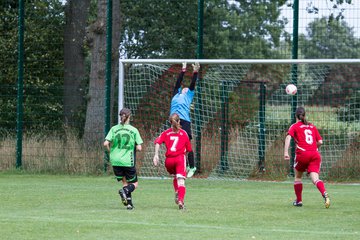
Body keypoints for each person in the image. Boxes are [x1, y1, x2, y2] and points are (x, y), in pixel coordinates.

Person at [284, 106, 330, 208]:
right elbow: (320, 142)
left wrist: (285, 152)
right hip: (315, 154)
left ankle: (299, 201)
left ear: (296, 116)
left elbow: (288, 137)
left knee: (298, 177)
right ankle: (325, 194)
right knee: (315, 179)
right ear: (305, 115)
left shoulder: (295, 126)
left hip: (303, 154)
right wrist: (314, 148)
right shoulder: (312, 126)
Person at [104, 108, 143, 210]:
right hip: (127, 160)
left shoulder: (114, 128)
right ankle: (125, 192)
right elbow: (139, 148)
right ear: (129, 117)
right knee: (134, 183)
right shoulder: (134, 130)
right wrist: (134, 147)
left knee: (125, 183)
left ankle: (129, 204)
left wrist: (111, 152)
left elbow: (106, 143)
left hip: (115, 160)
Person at [153, 113, 193, 210]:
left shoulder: (166, 133)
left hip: (169, 161)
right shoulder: (184, 133)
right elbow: (188, 149)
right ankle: (180, 200)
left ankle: (176, 191)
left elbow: (157, 142)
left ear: (170, 123)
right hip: (179, 158)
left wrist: (156, 155)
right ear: (179, 121)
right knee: (181, 180)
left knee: (176, 176)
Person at [170, 61, 200, 178]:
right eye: (184, 88)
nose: (185, 89)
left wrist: (195, 72)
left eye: (187, 89)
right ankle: (184, 165)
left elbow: (192, 83)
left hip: (184, 121)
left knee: (187, 144)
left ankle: (192, 166)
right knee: (177, 145)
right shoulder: (175, 94)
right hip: (173, 120)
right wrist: (183, 69)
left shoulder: (188, 96)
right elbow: (178, 82)